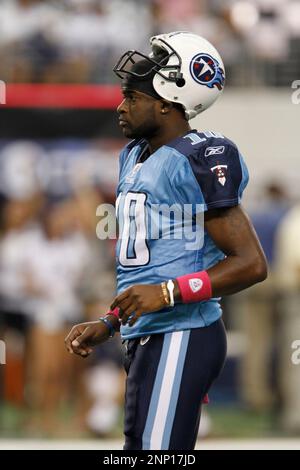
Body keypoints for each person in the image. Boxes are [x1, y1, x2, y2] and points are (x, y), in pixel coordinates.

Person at [65, 31, 267, 450]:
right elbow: (155, 264)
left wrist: (170, 292)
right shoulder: (134, 154)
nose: (121, 107)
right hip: (150, 334)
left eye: (132, 97)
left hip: (183, 332)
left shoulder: (199, 156)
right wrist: (111, 322)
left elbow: (250, 263)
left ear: (167, 102)